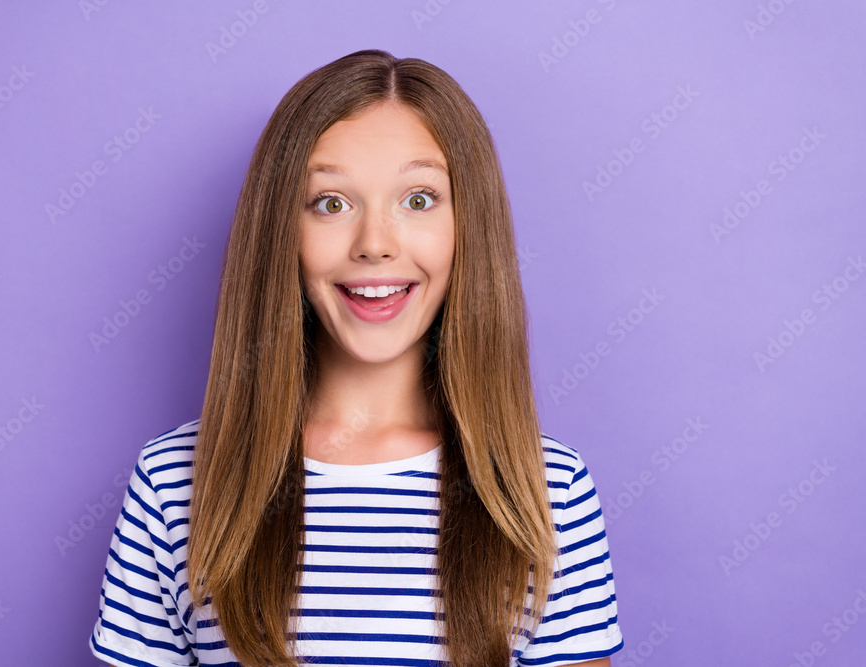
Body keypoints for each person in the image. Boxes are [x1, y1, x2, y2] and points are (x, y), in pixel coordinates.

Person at [89, 49, 623, 667]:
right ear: (282, 232)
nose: (374, 244)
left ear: (468, 227)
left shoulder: (547, 491)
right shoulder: (174, 482)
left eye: (418, 200)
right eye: (331, 203)